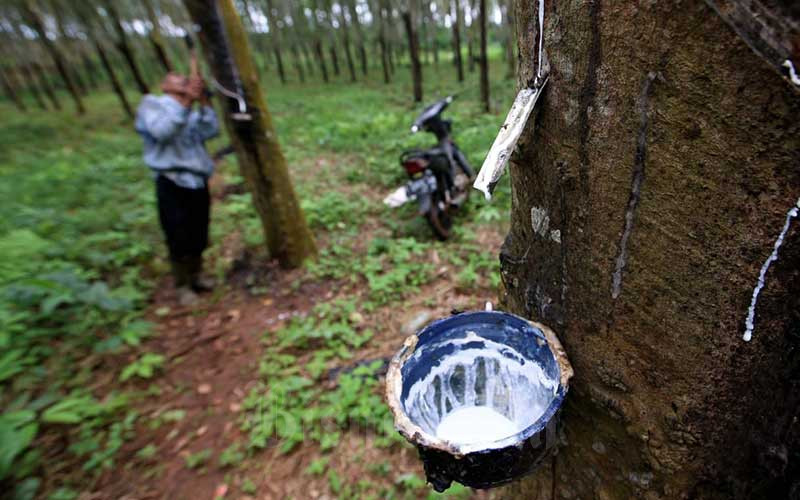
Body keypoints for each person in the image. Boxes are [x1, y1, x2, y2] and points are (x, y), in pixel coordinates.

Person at [135, 73, 220, 305]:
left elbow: (210, 131)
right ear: (164, 85)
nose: (184, 79)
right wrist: (187, 102)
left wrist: (203, 102)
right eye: (176, 78)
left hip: (197, 181)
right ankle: (182, 285)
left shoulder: (190, 110)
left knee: (199, 231)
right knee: (177, 233)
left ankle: (197, 275)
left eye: (186, 78)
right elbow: (163, 132)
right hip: (172, 181)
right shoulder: (152, 105)